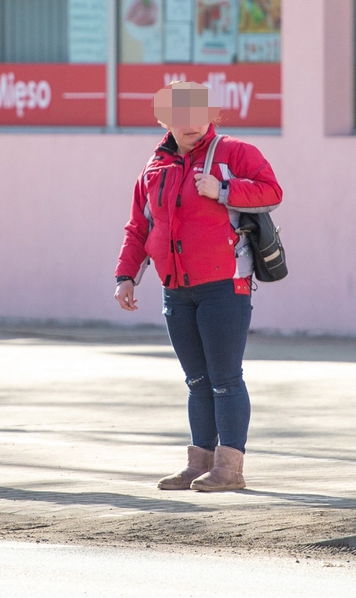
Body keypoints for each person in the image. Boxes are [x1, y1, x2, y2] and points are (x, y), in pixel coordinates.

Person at [114, 81, 283, 492]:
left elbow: (272, 191)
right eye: (179, 114)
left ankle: (230, 470)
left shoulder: (233, 153)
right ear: (163, 119)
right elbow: (139, 228)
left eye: (198, 113)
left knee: (225, 378)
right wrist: (125, 275)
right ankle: (199, 463)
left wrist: (224, 190)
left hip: (225, 285)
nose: (190, 123)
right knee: (196, 381)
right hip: (176, 290)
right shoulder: (154, 168)